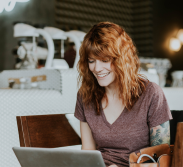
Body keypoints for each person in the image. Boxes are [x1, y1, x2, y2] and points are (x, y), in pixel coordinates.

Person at [74, 22, 172, 167]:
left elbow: (162, 159)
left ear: (122, 59)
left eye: (105, 60)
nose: (97, 68)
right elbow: (88, 154)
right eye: (91, 61)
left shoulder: (151, 94)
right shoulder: (85, 96)